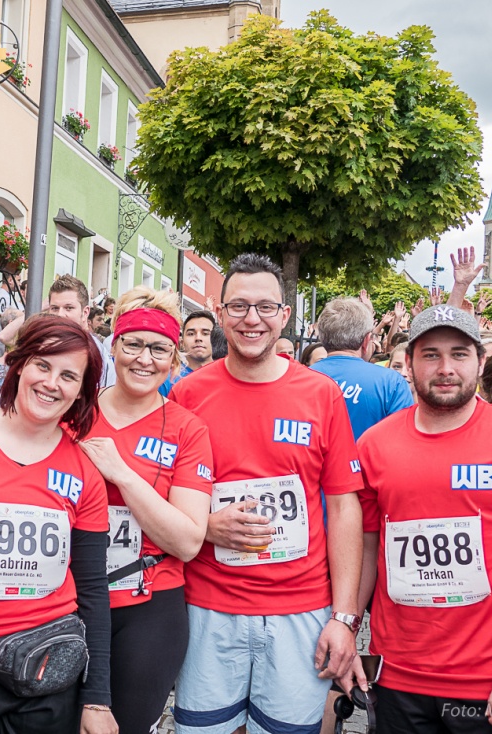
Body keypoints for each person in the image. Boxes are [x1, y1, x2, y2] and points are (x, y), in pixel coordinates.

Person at [348, 304, 492, 733]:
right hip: (398, 676)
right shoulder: (375, 445)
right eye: (430, 354)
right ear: (410, 364)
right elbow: (364, 548)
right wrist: (347, 626)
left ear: (480, 360)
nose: (445, 367)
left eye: (459, 353)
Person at [169, 253, 363, 734]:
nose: (251, 319)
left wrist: (344, 617)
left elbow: (342, 507)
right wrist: (204, 527)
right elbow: (165, 492)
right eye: (238, 306)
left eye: (264, 307)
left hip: (300, 608)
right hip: (208, 604)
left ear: (285, 315)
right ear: (219, 312)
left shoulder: (322, 395)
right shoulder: (188, 394)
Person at [0, 314, 115, 734]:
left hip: (50, 670)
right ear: (18, 364)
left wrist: (97, 698)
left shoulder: (83, 470)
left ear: (82, 392)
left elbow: (92, 587)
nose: (52, 383)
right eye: (43, 364)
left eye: (68, 375)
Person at [78, 287, 213, 733]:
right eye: (132, 344)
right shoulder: (74, 412)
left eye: (158, 349)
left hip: (151, 603)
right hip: (69, 596)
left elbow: (189, 540)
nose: (144, 358)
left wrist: (122, 474)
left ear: (174, 360)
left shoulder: (186, 429)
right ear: (113, 346)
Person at [310, 297, 413, 440]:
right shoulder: (391, 382)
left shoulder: (298, 380)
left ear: (322, 338)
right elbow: (403, 440)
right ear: (366, 341)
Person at [48, 275, 116, 387]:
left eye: (69, 308)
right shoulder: (41, 344)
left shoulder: (96, 354)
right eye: (55, 308)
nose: (60, 314)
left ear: (85, 313)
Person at [159, 310, 215, 397]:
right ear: (182, 343)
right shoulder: (167, 381)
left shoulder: (228, 377)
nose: (198, 338)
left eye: (205, 333)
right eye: (191, 334)